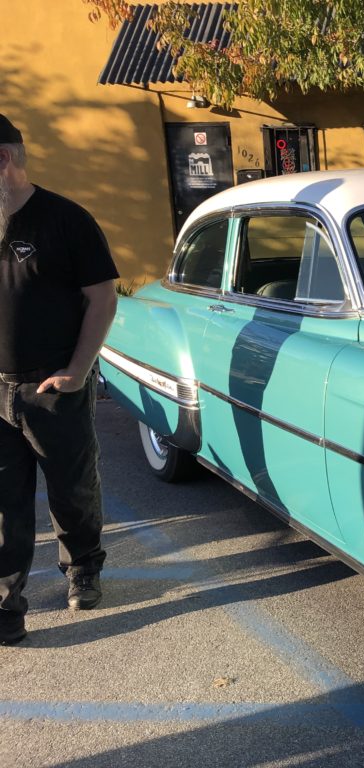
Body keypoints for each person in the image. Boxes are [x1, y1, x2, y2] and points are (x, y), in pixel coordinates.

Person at [0, 114, 119, 646]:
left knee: (72, 492)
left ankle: (83, 570)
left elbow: (102, 297)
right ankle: (7, 608)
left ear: (3, 161)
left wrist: (77, 369)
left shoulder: (66, 220)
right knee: (5, 507)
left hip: (52, 390)